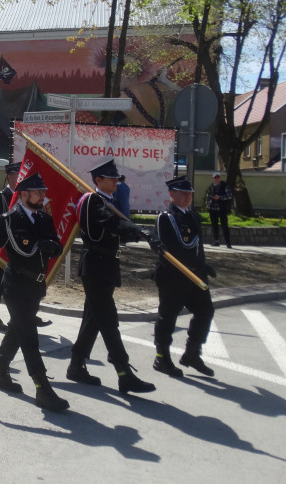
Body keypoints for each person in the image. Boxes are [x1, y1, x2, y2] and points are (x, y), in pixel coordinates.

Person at [0, 172, 69, 411]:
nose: (42, 196)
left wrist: (52, 247)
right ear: (24, 194)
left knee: (18, 329)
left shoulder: (44, 219)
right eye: (38, 192)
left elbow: (57, 246)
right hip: (16, 285)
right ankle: (42, 388)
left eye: (43, 192)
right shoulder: (9, 220)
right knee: (29, 335)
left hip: (36, 285)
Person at [66, 159, 156, 395]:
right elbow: (109, 224)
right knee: (108, 320)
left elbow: (118, 230)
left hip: (105, 266)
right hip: (95, 267)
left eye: (117, 178)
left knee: (93, 319)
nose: (116, 181)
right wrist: (137, 230)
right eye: (111, 178)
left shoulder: (109, 201)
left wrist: (141, 234)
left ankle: (76, 365)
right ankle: (124, 373)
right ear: (98, 180)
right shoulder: (92, 201)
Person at [152, 176, 217, 378]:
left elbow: (196, 246)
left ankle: (191, 353)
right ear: (172, 195)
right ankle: (161, 357)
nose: (188, 197)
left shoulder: (193, 216)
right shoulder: (166, 217)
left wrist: (203, 265)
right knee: (168, 317)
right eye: (183, 194)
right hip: (173, 277)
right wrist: (198, 264)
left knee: (205, 311)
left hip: (195, 277)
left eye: (190, 194)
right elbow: (174, 248)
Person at [0, 163, 52, 331]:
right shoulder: (1, 196)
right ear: (9, 176)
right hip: (5, 249)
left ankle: (27, 315)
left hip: (25, 253)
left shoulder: (28, 196)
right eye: (17, 174)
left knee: (29, 283)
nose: (20, 177)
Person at [206, 172, 233, 248]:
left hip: (222, 208)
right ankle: (216, 241)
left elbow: (229, 195)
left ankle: (228, 242)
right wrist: (208, 205)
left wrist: (220, 197)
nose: (217, 179)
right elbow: (208, 196)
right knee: (214, 225)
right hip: (213, 208)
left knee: (224, 225)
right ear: (213, 178)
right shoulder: (211, 186)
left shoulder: (224, 185)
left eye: (218, 177)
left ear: (220, 178)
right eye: (215, 177)